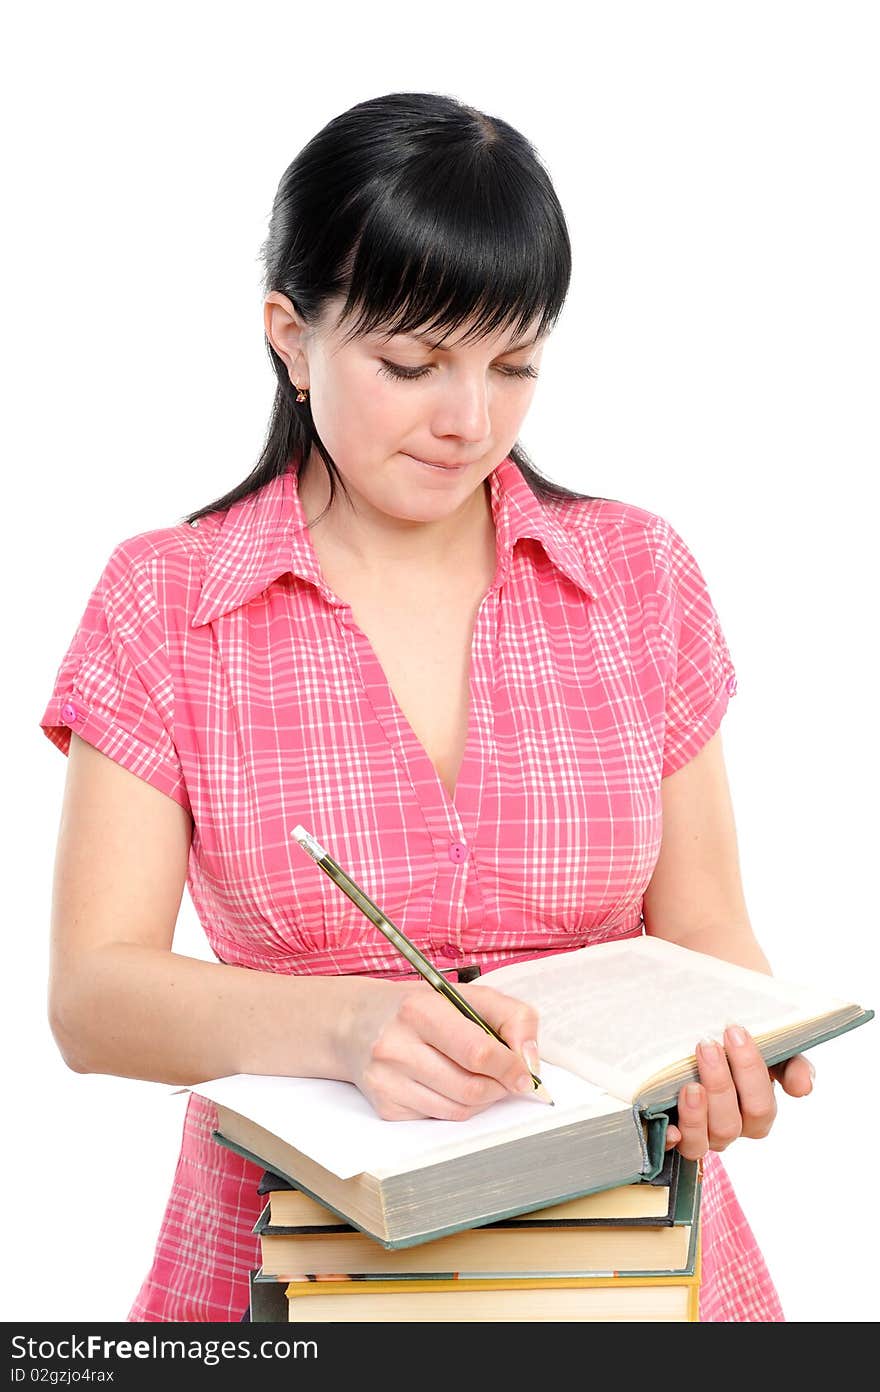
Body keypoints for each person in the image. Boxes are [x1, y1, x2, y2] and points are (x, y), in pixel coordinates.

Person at [40, 90, 813, 1324]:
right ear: (290, 337)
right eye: (412, 364)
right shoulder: (166, 601)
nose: (470, 423)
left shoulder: (635, 579)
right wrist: (348, 1025)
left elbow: (712, 930)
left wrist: (734, 1057)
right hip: (285, 1272)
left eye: (514, 364)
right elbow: (92, 999)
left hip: (624, 1266)